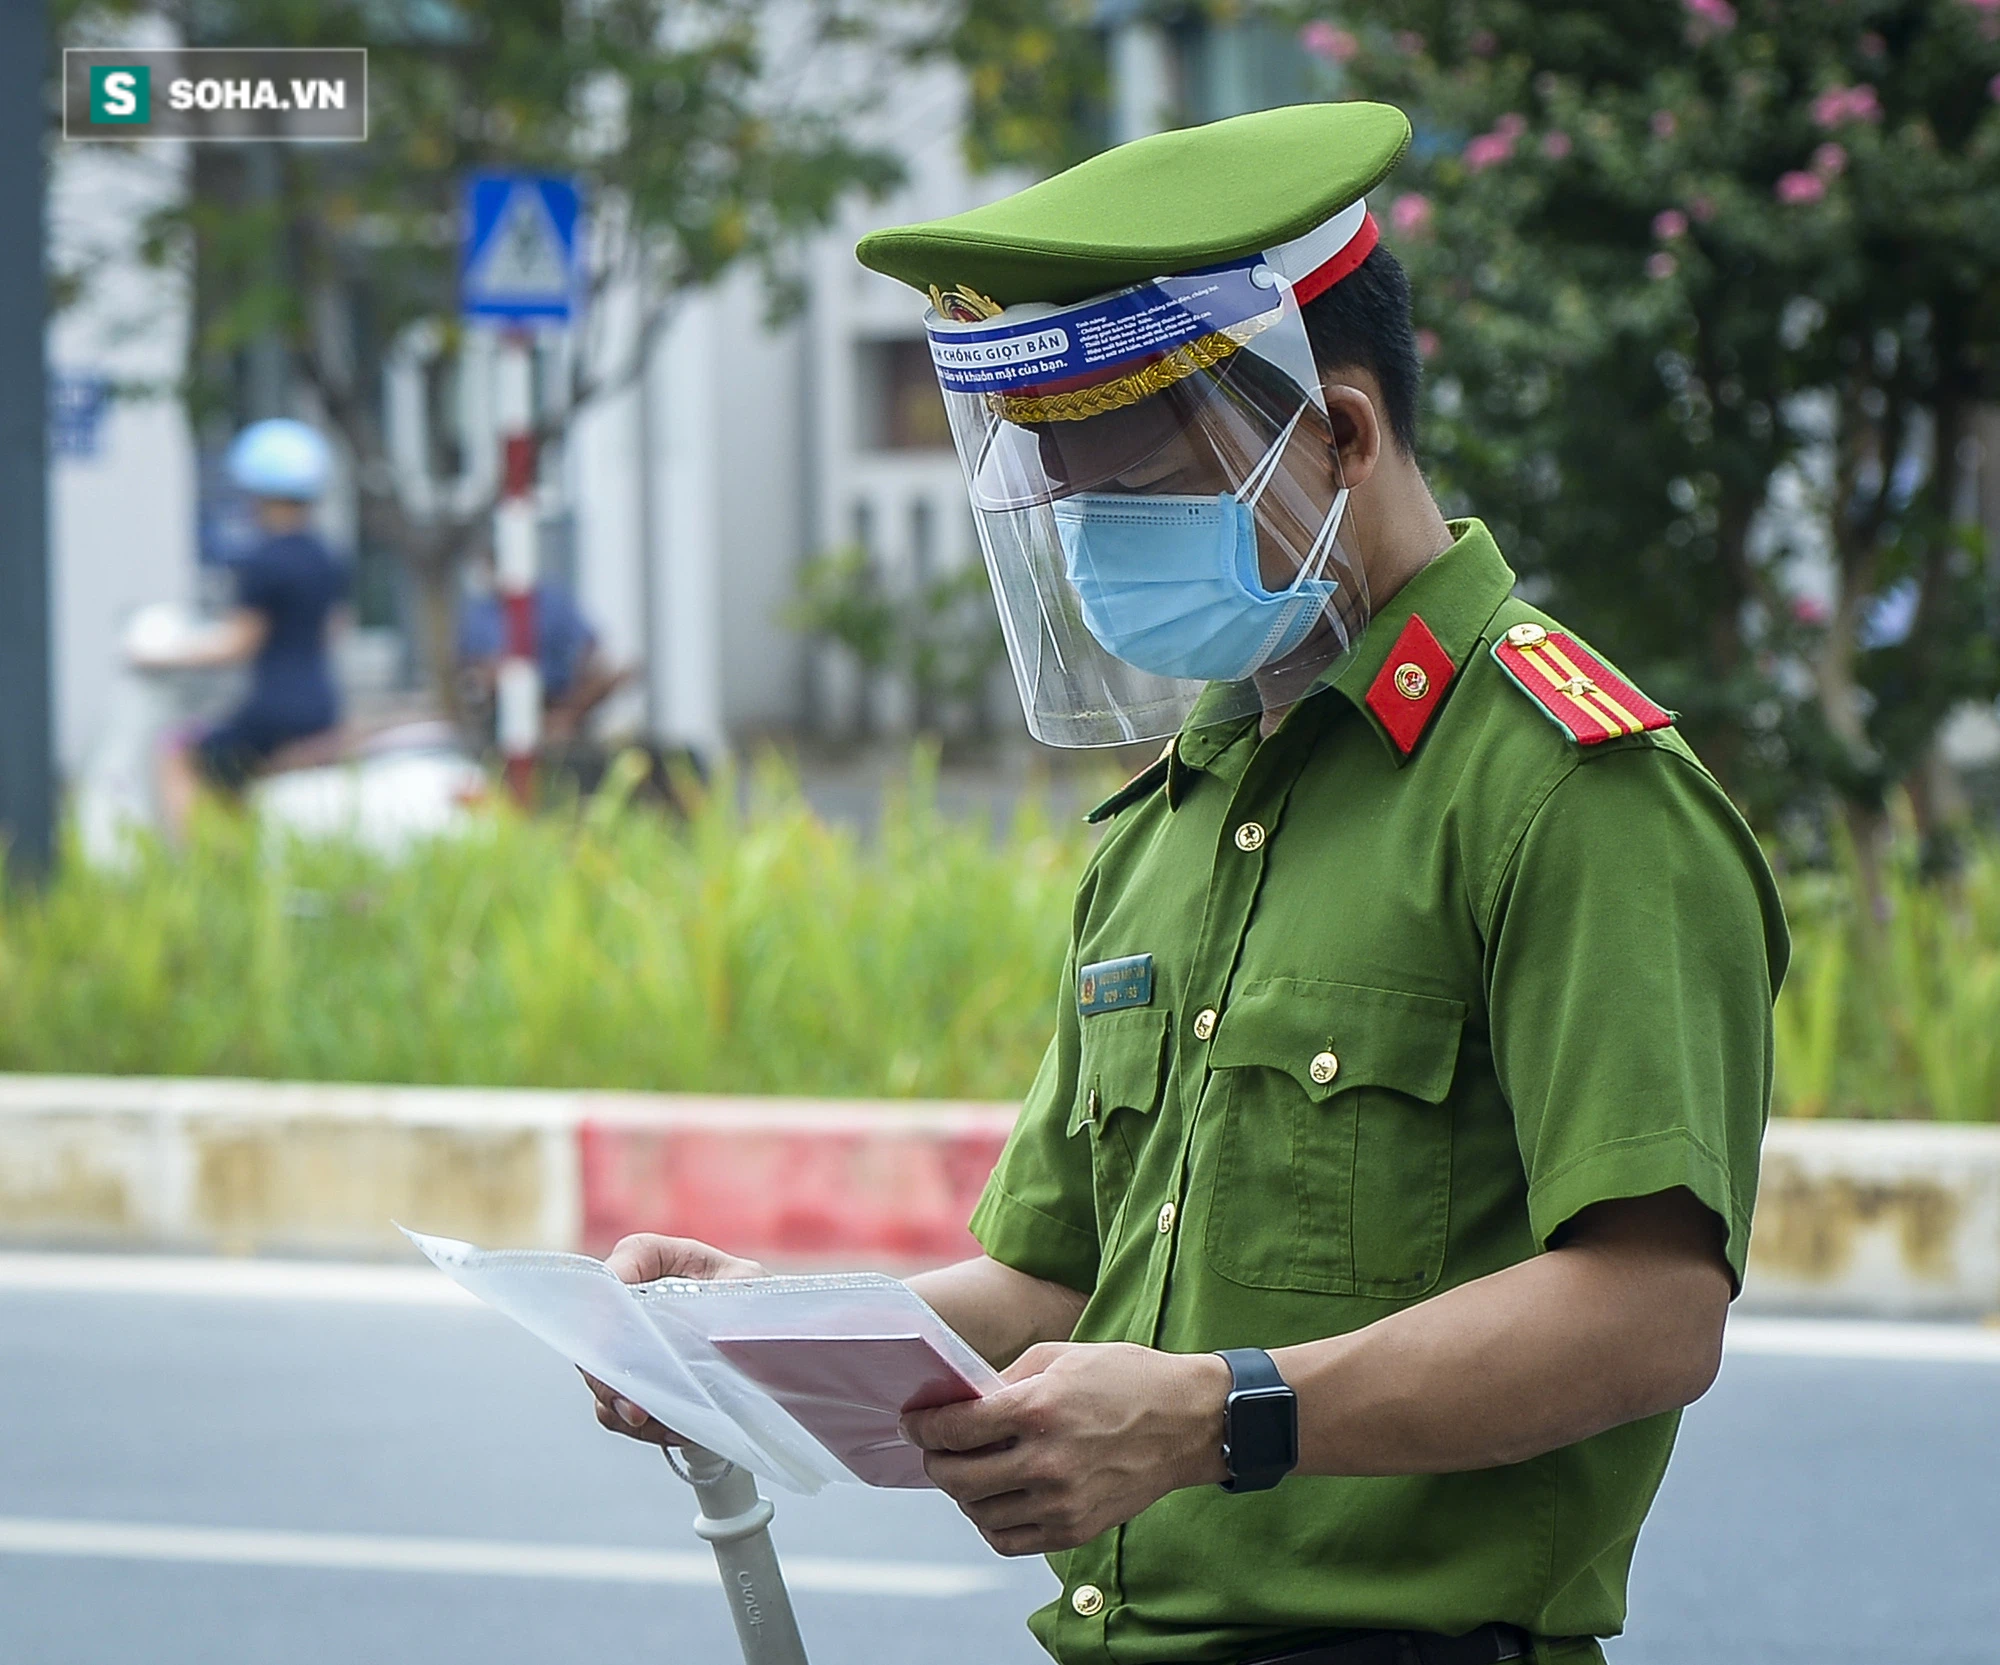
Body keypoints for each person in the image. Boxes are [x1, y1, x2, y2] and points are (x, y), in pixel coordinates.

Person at [583, 102, 1788, 1665]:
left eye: (1142, 489)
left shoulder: (1567, 792)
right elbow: (1055, 1274)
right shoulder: (1177, 815)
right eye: (1073, 500)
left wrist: (1223, 1419)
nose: (1101, 543)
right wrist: (759, 1338)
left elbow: (1648, 1310)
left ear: (1341, 434)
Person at [140, 419, 351, 838]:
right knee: (239, 778)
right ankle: (241, 855)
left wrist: (162, 654)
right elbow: (334, 630)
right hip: (323, 705)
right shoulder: (328, 557)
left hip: (272, 710)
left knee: (178, 751)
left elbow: (240, 643)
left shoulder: (264, 560)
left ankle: (191, 862)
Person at [454, 552, 630, 743]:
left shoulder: (552, 602)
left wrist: (570, 708)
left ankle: (562, 724)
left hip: (560, 698)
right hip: (504, 703)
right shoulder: (480, 612)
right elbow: (470, 663)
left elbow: (590, 645)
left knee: (614, 670)